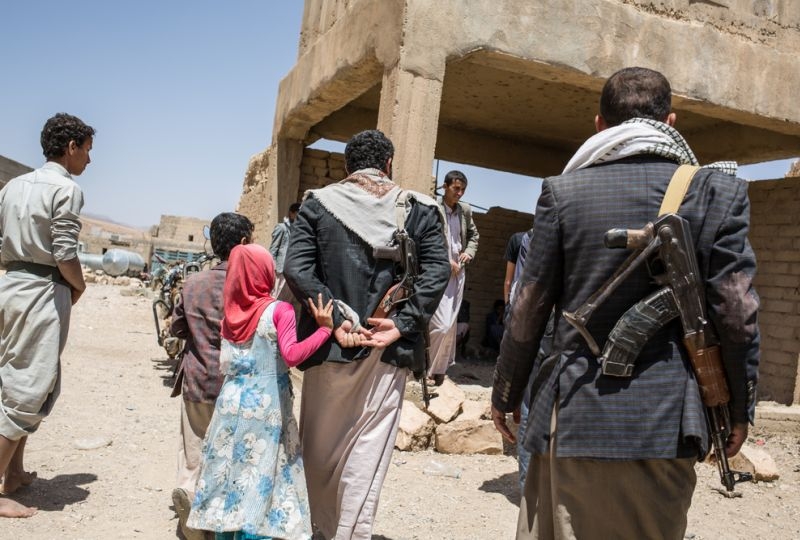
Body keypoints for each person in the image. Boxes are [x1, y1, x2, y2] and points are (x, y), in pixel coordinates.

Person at [491, 66, 760, 539]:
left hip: (572, 416)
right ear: (670, 122)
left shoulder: (563, 192)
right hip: (664, 427)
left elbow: (527, 307)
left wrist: (507, 393)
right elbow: (736, 313)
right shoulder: (717, 192)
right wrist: (737, 408)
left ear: (599, 125)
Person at [283, 129, 450, 540]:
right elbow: (438, 271)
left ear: (346, 166)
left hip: (330, 345)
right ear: (388, 164)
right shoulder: (421, 209)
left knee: (319, 449)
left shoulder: (318, 206)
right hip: (385, 348)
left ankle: (316, 527)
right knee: (367, 450)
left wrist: (335, 318)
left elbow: (296, 269)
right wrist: (403, 323)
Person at [187, 243, 334, 539]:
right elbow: (291, 355)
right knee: (260, 477)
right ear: (264, 273)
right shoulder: (279, 310)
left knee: (231, 477)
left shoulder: (232, 314)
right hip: (266, 408)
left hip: (229, 404)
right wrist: (324, 330)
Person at [0, 113, 94, 518]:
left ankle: (15, 472)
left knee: (14, 375)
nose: (89, 160)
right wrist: (79, 285)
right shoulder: (66, 189)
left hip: (11, 286)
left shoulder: (13, 186)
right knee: (30, 384)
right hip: (42, 290)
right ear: (71, 148)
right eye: (87, 151)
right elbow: (64, 253)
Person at [169, 212, 255, 540]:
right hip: (238, 387)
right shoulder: (253, 287)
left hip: (197, 381)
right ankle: (221, 518)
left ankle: (189, 495)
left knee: (194, 452)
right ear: (245, 243)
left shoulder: (194, 283)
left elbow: (177, 327)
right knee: (231, 457)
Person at [427, 170, 479, 385]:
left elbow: (474, 237)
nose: (459, 193)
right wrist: (445, 261)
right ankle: (429, 368)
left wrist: (469, 252)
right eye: (456, 188)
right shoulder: (434, 208)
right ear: (445, 187)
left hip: (459, 274)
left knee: (451, 324)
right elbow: (427, 238)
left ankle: (439, 370)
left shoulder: (464, 211)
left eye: (463, 190)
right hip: (439, 271)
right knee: (440, 325)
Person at [269, 202, 301, 300]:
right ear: (291, 213)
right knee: (275, 297)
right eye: (298, 214)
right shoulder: (281, 227)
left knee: (286, 299)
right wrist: (273, 269)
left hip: (291, 271)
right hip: (280, 270)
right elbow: (273, 249)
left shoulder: (298, 230)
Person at [503, 231, 526, 305]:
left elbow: (508, 281)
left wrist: (507, 305)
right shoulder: (553, 241)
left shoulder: (517, 238)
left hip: (518, 297)